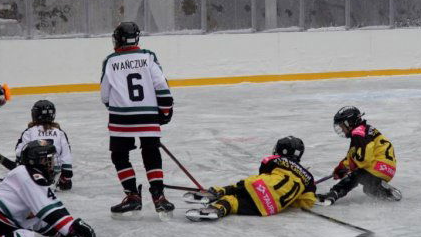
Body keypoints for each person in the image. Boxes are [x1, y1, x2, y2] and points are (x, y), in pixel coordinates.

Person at [100, 22, 175, 219]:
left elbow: (105, 96)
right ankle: (159, 197)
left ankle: (132, 195)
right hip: (148, 115)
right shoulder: (148, 57)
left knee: (119, 155)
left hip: (120, 117)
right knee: (151, 152)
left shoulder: (110, 60)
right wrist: (165, 110)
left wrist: (118, 107)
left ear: (117, 39)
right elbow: (161, 86)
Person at [185, 136, 317, 221]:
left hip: (260, 187)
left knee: (238, 188)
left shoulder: (275, 160)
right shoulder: (309, 178)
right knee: (233, 203)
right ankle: (218, 209)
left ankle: (218, 192)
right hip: (270, 208)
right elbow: (308, 201)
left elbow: (263, 174)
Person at [316, 107, 402, 205]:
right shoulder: (364, 130)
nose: (342, 130)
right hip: (387, 169)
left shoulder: (358, 133)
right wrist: (341, 168)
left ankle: (333, 194)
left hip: (378, 166)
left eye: (342, 126)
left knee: (357, 175)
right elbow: (354, 154)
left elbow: (364, 159)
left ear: (349, 123)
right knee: (368, 188)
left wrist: (347, 169)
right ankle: (385, 191)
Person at [15, 100, 74, 191]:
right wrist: (66, 177)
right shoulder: (60, 132)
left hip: (32, 173)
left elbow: (19, 152)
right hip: (54, 175)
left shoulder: (29, 132)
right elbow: (66, 155)